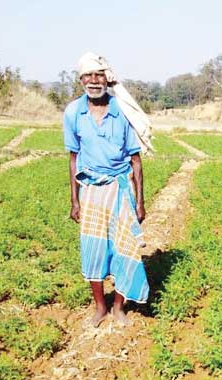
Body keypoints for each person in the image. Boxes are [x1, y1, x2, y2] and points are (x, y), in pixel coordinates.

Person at [63, 52, 147, 327]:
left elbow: (135, 160)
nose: (94, 80)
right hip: (91, 190)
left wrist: (140, 201)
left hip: (119, 188)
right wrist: (74, 200)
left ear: (106, 79)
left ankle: (118, 308)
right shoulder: (74, 112)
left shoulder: (122, 111)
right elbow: (73, 157)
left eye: (99, 75)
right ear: (81, 80)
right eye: (88, 76)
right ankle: (100, 307)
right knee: (93, 250)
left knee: (125, 248)